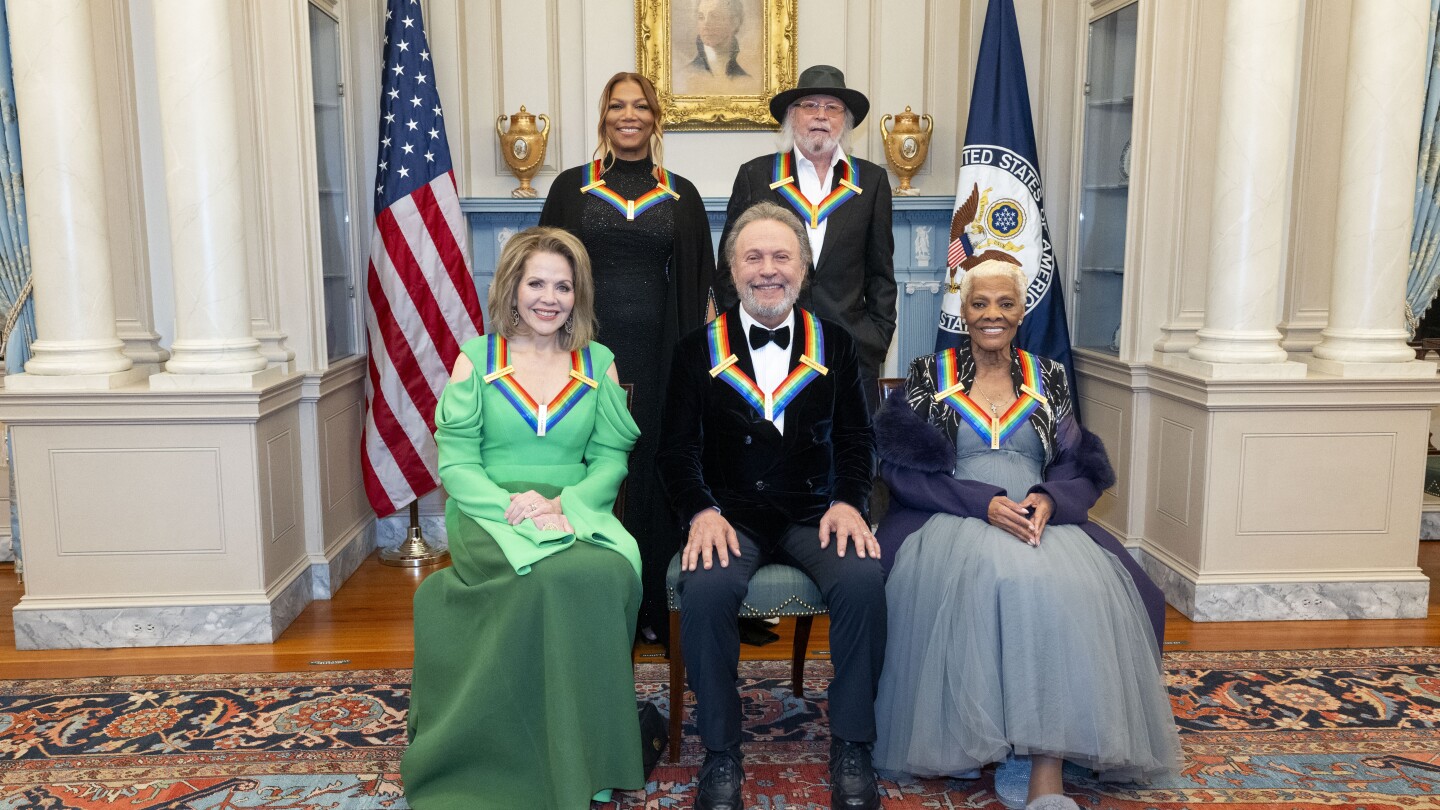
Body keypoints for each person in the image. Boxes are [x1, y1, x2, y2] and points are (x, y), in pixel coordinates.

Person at [871, 259, 1180, 810]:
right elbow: (901, 471)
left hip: (1038, 515)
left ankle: (1046, 767)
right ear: (962, 312)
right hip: (950, 513)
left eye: (1005, 303)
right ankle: (976, 736)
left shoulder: (1050, 377)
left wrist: (1049, 500)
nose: (992, 314)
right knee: (1003, 578)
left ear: (1021, 311)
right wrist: (982, 503)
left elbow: (1076, 464)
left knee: (1083, 586)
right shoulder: (926, 374)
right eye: (979, 303)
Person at [401, 228, 644, 809]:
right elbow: (457, 464)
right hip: (489, 511)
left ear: (577, 295)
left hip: (576, 508)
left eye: (563, 285)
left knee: (604, 574)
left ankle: (583, 756)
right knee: (543, 578)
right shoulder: (474, 360)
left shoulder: (599, 363)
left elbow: (610, 459)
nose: (549, 297)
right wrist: (513, 507)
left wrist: (564, 505)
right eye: (537, 282)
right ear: (512, 288)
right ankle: (505, 755)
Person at [658, 202, 887, 810]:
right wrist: (700, 512)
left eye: (781, 256)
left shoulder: (834, 344)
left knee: (865, 579)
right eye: (753, 257)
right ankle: (721, 754)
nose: (768, 270)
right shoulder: (693, 351)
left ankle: (853, 744)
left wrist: (848, 500)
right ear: (731, 270)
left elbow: (857, 440)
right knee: (704, 589)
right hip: (727, 514)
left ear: (803, 269)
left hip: (815, 512)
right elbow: (674, 453)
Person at [540, 71, 715, 644]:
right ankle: (595, 604)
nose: (629, 115)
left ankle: (653, 608)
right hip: (585, 354)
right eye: (617, 106)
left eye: (640, 106)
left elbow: (699, 286)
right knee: (595, 469)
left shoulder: (680, 193)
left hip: (661, 358)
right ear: (604, 116)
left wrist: (696, 372)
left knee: (650, 470)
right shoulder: (572, 188)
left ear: (655, 117)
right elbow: (544, 275)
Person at [716, 64, 896, 399]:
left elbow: (881, 274)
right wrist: (739, 339)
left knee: (847, 449)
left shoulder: (871, 182)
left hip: (851, 352)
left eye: (832, 108)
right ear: (790, 115)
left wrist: (876, 339)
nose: (821, 116)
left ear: (846, 121)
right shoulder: (756, 176)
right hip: (768, 347)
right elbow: (729, 269)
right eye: (810, 106)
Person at [687, 0, 748, 80]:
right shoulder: (685, 74)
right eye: (701, 17)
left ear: (734, 22)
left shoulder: (745, 80)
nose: (706, 24)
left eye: (714, 16)